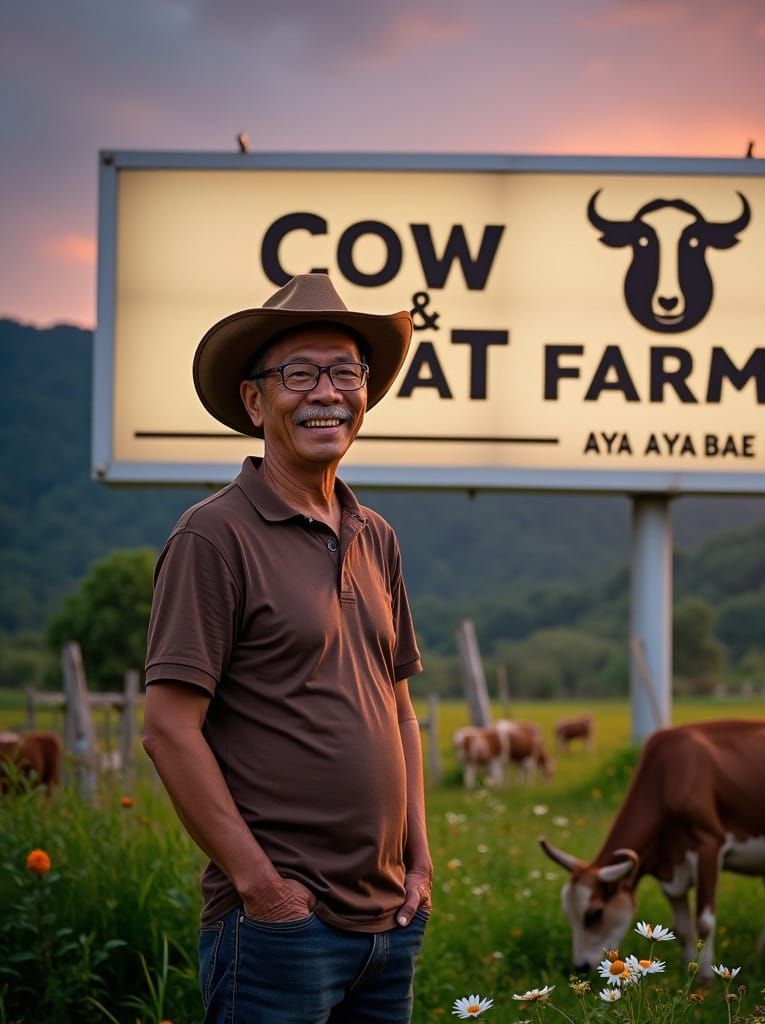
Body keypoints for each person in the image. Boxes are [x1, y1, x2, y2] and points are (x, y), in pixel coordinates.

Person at [143, 273, 432, 1023]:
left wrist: (420, 862)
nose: (326, 393)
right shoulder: (213, 536)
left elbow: (401, 711)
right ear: (254, 400)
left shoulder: (377, 537)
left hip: (390, 927)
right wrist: (263, 889)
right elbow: (168, 731)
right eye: (298, 374)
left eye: (345, 372)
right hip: (278, 932)